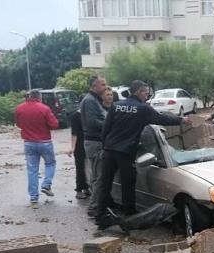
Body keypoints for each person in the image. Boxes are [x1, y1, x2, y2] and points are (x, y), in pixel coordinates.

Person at [95, 80, 193, 230]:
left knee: (105, 183)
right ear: (139, 92)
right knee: (128, 184)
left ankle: (99, 216)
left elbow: (106, 129)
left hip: (109, 150)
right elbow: (161, 119)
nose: (147, 96)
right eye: (146, 93)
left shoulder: (116, 105)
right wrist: (181, 119)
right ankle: (130, 216)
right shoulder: (142, 108)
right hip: (125, 152)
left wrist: (103, 147)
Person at [15, 89, 60, 208]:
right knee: (50, 163)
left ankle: (33, 197)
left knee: (32, 170)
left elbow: (19, 124)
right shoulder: (44, 108)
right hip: (45, 142)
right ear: (39, 98)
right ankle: (46, 184)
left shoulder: (19, 108)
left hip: (29, 143)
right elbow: (54, 125)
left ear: (28, 97)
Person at [79, 75, 109, 217]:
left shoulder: (95, 100)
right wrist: (110, 124)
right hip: (95, 143)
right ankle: (94, 208)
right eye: (102, 85)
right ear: (94, 86)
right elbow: (92, 122)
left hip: (96, 142)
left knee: (97, 176)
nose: (105, 87)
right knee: (100, 177)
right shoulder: (90, 100)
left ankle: (98, 204)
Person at [68, 109, 90, 199]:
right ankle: (79, 189)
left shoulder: (90, 114)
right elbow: (74, 133)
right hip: (80, 145)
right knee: (80, 167)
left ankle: (86, 187)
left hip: (90, 142)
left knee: (89, 168)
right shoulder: (76, 116)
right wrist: (73, 147)